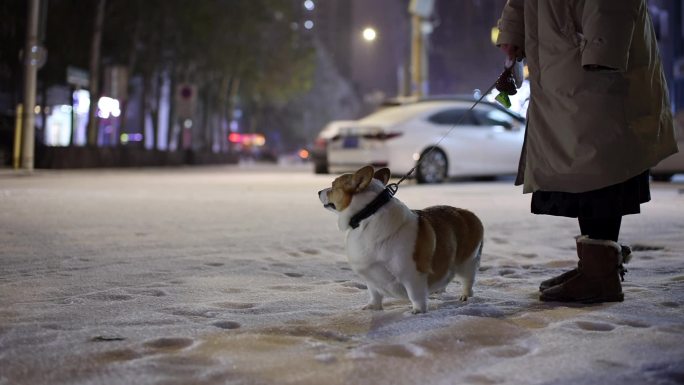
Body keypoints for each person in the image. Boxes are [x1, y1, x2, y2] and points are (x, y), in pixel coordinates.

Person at [496, 0, 679, 303]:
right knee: (585, 167)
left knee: (598, 164)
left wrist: (601, 50)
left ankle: (600, 275)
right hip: (565, 57)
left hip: (588, 59)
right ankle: (595, 267)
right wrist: (513, 34)